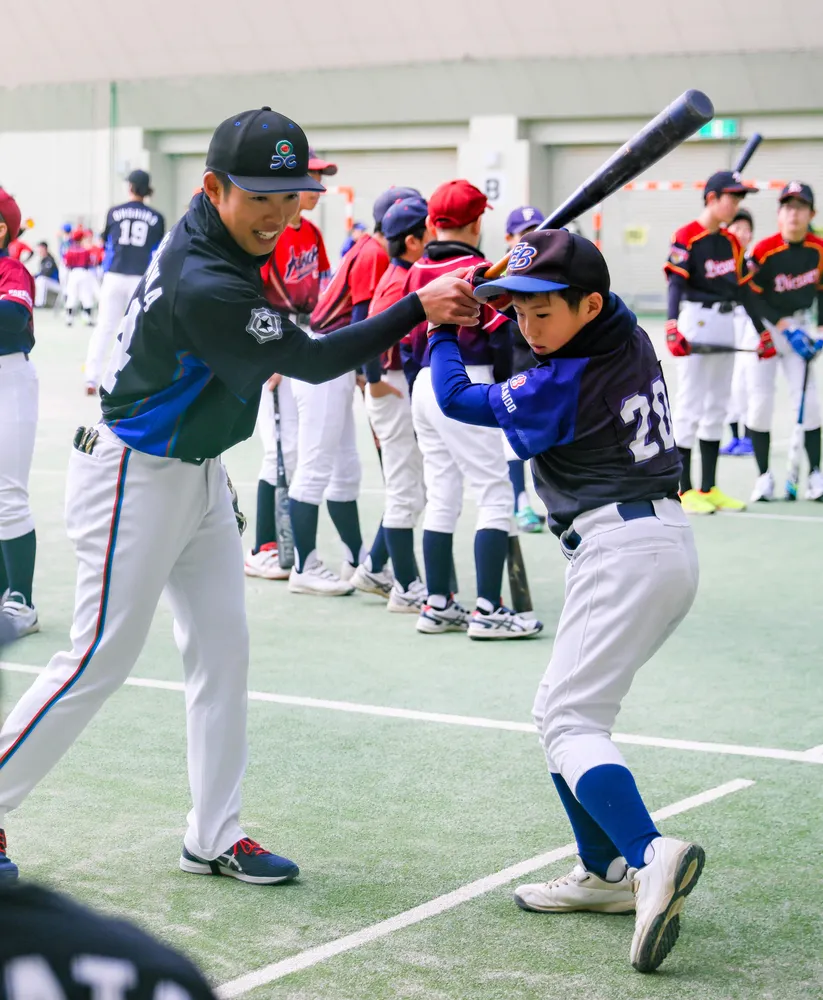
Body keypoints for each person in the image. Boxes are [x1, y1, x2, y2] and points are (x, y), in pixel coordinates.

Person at [0, 107, 477, 882]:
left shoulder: (213, 232)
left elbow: (293, 323)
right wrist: (414, 305)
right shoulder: (205, 278)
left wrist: (408, 287)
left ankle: (212, 834)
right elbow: (312, 359)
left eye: (291, 196)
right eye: (261, 197)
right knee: (97, 658)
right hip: (132, 473)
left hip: (195, 473)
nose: (279, 214)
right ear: (214, 188)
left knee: (222, 654)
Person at [429, 228, 704, 973]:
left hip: (623, 551)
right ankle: (604, 875)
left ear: (587, 304)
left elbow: (458, 399)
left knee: (570, 717)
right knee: (560, 709)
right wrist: (507, 292)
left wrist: (441, 330)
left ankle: (648, 855)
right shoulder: (622, 331)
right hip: (652, 544)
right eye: (516, 313)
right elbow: (561, 315)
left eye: (540, 312)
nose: (525, 326)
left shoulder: (561, 384)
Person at [404, 179, 542, 639]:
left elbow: (406, 339)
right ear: (479, 222)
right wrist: (507, 390)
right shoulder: (480, 269)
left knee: (442, 493)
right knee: (495, 494)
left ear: (432, 223)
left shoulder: (416, 268)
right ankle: (488, 609)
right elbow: (503, 336)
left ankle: (438, 603)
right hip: (470, 379)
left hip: (425, 381)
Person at [288, 186, 418, 596]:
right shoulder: (376, 253)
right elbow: (365, 318)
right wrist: (374, 377)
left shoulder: (368, 246)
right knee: (314, 466)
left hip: (333, 360)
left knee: (345, 470)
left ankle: (355, 555)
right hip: (323, 360)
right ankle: (303, 565)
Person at [245, 149, 335, 580]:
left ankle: (279, 548)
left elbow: (320, 288)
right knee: (276, 451)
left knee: (295, 451)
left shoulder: (313, 234)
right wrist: (271, 351)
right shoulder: (270, 234)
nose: (317, 188)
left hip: (302, 338)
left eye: (321, 179)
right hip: (273, 343)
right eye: (311, 178)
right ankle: (262, 547)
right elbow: (256, 298)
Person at [664, 170, 772, 515]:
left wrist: (761, 330)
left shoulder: (732, 242)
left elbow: (742, 290)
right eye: (733, 197)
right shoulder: (687, 236)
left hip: (727, 322)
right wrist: (670, 325)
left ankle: (708, 487)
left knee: (717, 405)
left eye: (740, 198)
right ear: (712, 198)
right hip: (696, 319)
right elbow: (675, 285)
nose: (737, 204)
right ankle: (683, 491)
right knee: (690, 403)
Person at [355, 195, 431, 612]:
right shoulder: (397, 279)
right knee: (405, 492)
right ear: (415, 241)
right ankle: (406, 587)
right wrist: (375, 380)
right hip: (391, 385)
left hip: (397, 384)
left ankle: (374, 566)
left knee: (412, 489)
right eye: (428, 229)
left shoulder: (403, 272)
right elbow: (370, 330)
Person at [741, 182, 823, 501]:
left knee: (811, 405)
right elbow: (749, 295)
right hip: (764, 329)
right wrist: (779, 324)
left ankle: (815, 474)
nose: (793, 214)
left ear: (811, 214)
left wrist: (819, 332)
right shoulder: (763, 250)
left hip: (800, 328)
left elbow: (820, 292)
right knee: (760, 404)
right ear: (778, 214)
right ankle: (764, 477)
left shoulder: (818, 249)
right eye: (787, 207)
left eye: (800, 208)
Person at [84, 170, 165, 395]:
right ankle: (126, 380)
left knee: (105, 327)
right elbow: (157, 249)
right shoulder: (157, 217)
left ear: (130, 186)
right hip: (140, 278)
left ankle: (91, 378)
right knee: (136, 331)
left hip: (114, 275)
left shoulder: (114, 212)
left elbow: (106, 241)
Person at [0, 190, 39, 638]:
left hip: (9, 378)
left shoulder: (11, 269)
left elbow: (11, 316)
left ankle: (21, 600)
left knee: (8, 494)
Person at [504, 206, 547, 533]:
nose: (530, 237)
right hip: (515, 370)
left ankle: (549, 502)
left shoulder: (551, 271)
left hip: (548, 370)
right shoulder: (500, 279)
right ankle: (520, 502)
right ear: (509, 238)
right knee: (517, 440)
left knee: (550, 439)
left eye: (537, 229)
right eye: (524, 232)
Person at [720, 207, 756, 457]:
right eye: (737, 228)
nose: (742, 233)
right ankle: (735, 437)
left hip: (750, 325)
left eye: (746, 229)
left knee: (748, 381)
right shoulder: (721, 261)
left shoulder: (753, 262)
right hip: (726, 324)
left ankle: (751, 437)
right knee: (730, 384)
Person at [62, 228, 96, 329]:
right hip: (83, 273)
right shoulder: (85, 250)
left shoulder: (69, 250)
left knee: (71, 295)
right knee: (86, 296)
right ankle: (88, 318)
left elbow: (66, 263)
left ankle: (69, 319)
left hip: (73, 273)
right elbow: (90, 263)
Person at [33, 242, 61, 308]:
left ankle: (40, 303)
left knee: (41, 280)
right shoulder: (43, 260)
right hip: (49, 282)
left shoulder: (49, 259)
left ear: (44, 249)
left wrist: (35, 276)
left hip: (56, 284)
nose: (39, 251)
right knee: (37, 280)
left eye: (40, 249)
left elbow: (46, 273)